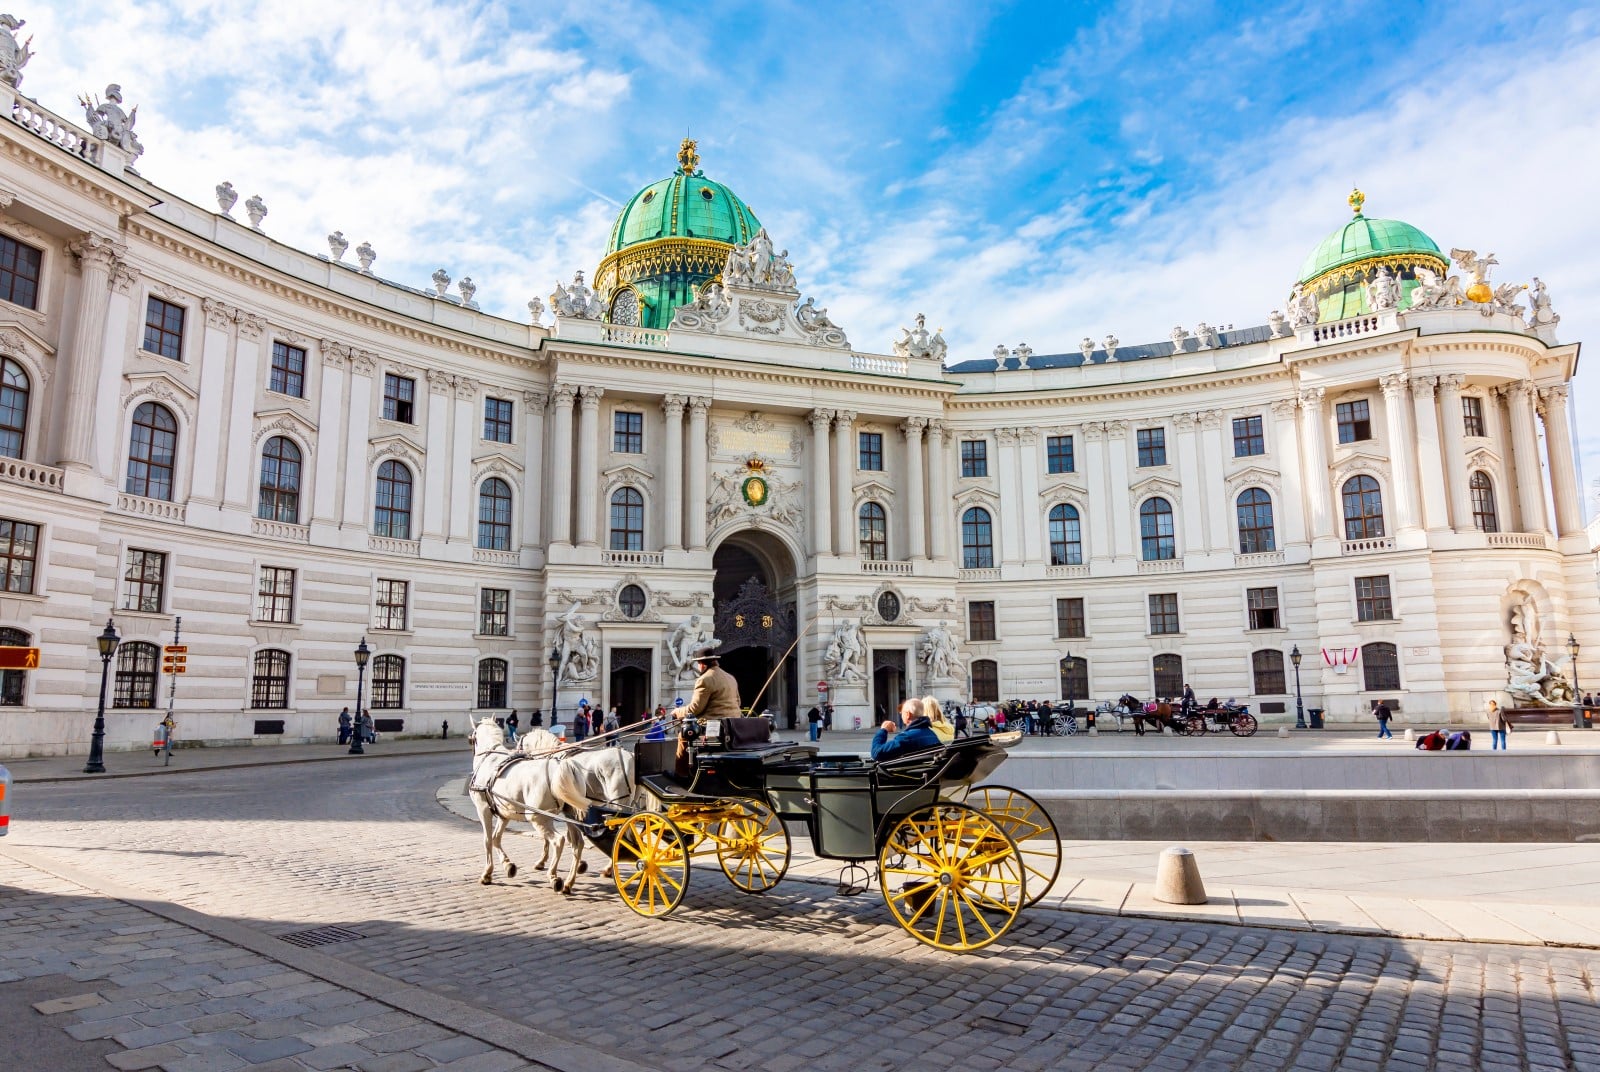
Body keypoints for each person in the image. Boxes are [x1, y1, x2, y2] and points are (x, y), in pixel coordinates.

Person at [675, 646, 742, 778]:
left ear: (702, 664)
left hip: (714, 727)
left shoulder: (705, 679)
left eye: (698, 664)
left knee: (683, 735)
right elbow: (738, 702)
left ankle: (681, 775)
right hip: (733, 725)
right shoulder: (730, 677)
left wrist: (677, 712)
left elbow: (695, 709)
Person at [871, 698, 943, 762]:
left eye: (902, 712)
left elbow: (876, 753)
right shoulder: (932, 734)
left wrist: (883, 730)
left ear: (908, 714)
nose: (901, 715)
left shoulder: (907, 738)